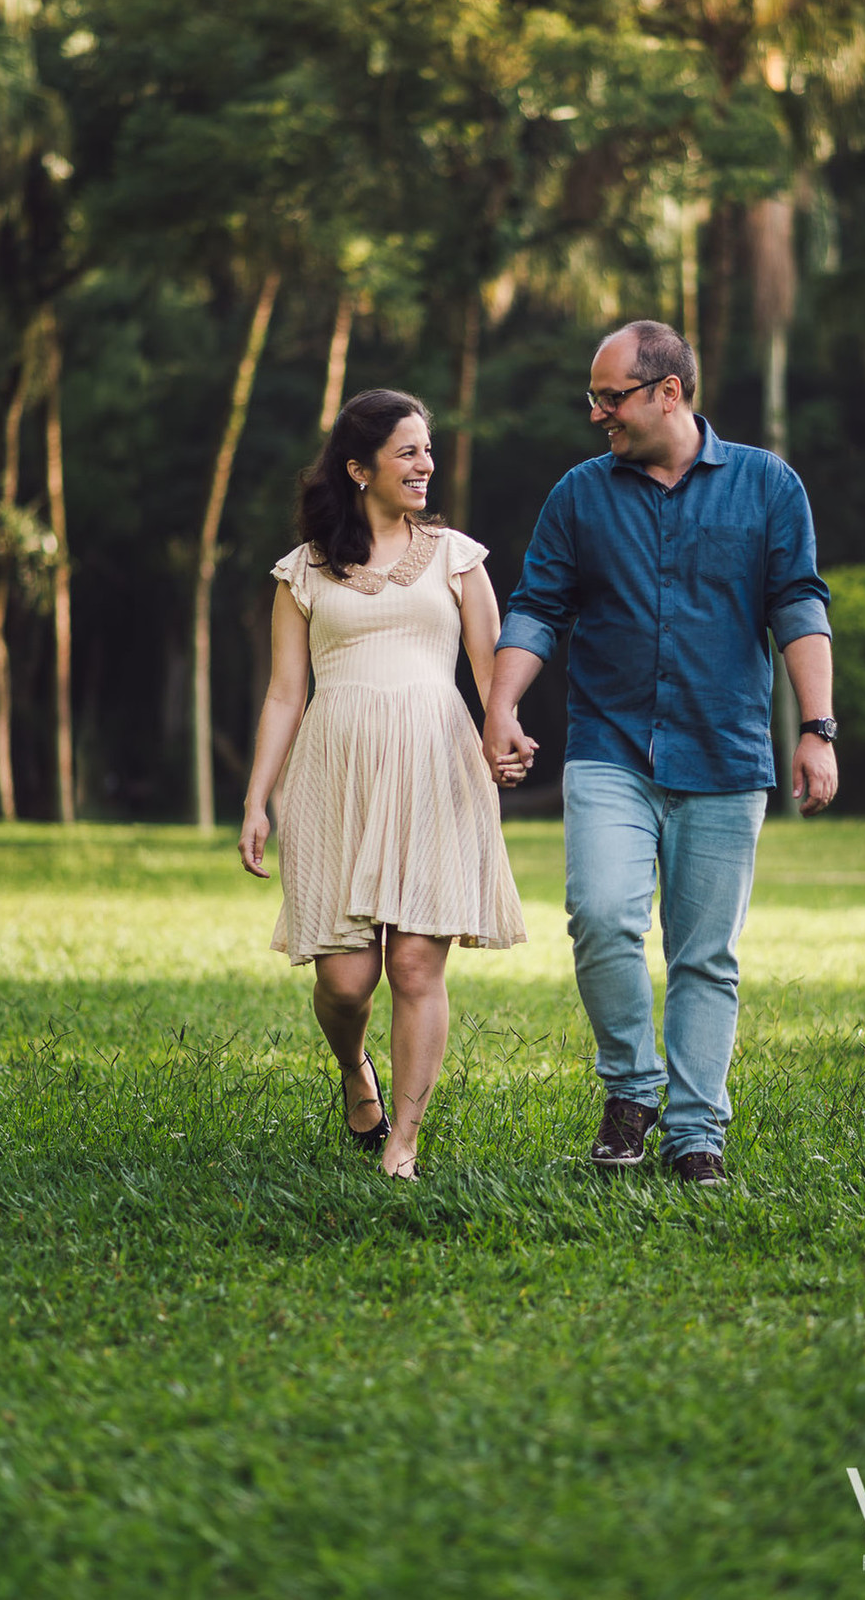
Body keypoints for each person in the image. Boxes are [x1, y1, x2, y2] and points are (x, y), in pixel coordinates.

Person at [481, 321, 837, 1186]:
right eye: (593, 398)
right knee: (602, 915)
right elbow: (537, 607)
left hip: (726, 751)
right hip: (611, 747)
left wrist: (817, 726)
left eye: (611, 397)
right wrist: (500, 704)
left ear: (668, 392)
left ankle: (695, 1132)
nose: (597, 413)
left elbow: (797, 604)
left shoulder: (767, 484)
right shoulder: (579, 494)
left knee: (705, 955)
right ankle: (632, 1090)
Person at [239, 389, 528, 1180]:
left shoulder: (458, 558)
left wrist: (504, 735)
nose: (426, 464)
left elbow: (490, 673)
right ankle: (353, 1069)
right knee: (345, 982)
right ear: (359, 468)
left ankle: (403, 1142)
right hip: (336, 776)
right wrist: (257, 799)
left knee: (413, 968)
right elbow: (284, 694)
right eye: (408, 452)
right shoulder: (303, 571)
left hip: (435, 768)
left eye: (428, 450)